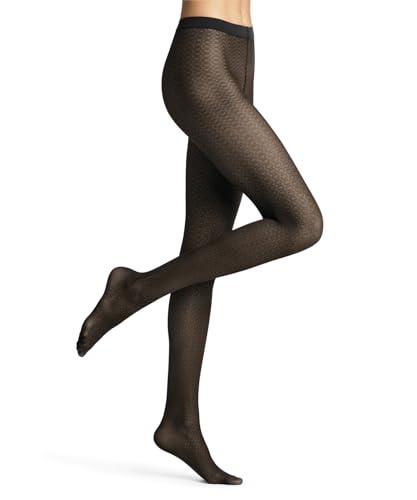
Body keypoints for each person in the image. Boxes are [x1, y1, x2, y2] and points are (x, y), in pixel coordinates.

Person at [76, 0, 324, 485]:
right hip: (202, 60)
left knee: (203, 256)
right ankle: (134, 290)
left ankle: (180, 423)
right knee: (302, 223)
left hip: (239, 54)